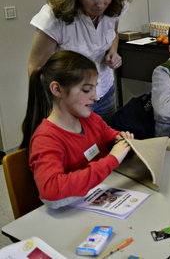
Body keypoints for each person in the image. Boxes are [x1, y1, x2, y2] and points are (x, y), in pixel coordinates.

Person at [21, 50, 134, 209]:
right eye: (87, 90)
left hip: (97, 196)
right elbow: (51, 191)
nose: (95, 97)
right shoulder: (46, 139)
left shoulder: (90, 119)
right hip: (70, 211)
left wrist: (121, 138)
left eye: (95, 88)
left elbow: (109, 135)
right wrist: (112, 159)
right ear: (57, 90)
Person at [28, 0, 130, 121]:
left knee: (105, 142)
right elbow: (36, 67)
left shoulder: (115, 6)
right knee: (79, 145)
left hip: (104, 90)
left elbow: (113, 33)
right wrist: (50, 107)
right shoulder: (53, 18)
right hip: (70, 100)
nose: (100, 4)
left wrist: (112, 51)